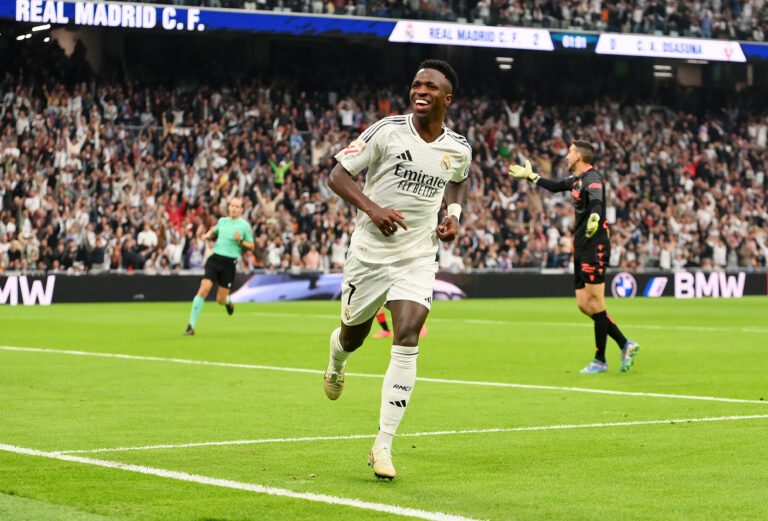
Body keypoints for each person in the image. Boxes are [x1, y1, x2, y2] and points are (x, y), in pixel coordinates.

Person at [322, 60, 471, 480]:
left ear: (447, 98)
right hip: (370, 253)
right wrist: (373, 208)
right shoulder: (387, 130)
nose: (420, 91)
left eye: (430, 86)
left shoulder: (458, 146)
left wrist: (454, 214)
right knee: (354, 335)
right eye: (416, 84)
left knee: (408, 334)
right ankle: (337, 358)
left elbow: (460, 176)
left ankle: (383, 444)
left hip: (417, 256)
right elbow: (337, 174)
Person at [509, 142, 639, 373]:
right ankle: (624, 343)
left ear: (578, 156)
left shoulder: (592, 178)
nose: (566, 155)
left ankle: (600, 360)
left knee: (597, 304)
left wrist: (595, 218)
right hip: (579, 245)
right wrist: (531, 176)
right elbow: (556, 186)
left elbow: (597, 201)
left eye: (569, 152)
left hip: (594, 245)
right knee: (583, 304)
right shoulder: (575, 179)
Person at [184, 198, 254, 336]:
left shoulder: (244, 226)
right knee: (203, 290)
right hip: (215, 259)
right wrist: (207, 235)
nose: (233, 208)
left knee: (220, 299)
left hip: (229, 263)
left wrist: (240, 241)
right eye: (232, 205)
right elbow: (213, 231)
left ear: (241, 210)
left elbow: (251, 246)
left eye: (237, 206)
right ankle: (191, 326)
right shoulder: (223, 221)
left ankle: (228, 302)